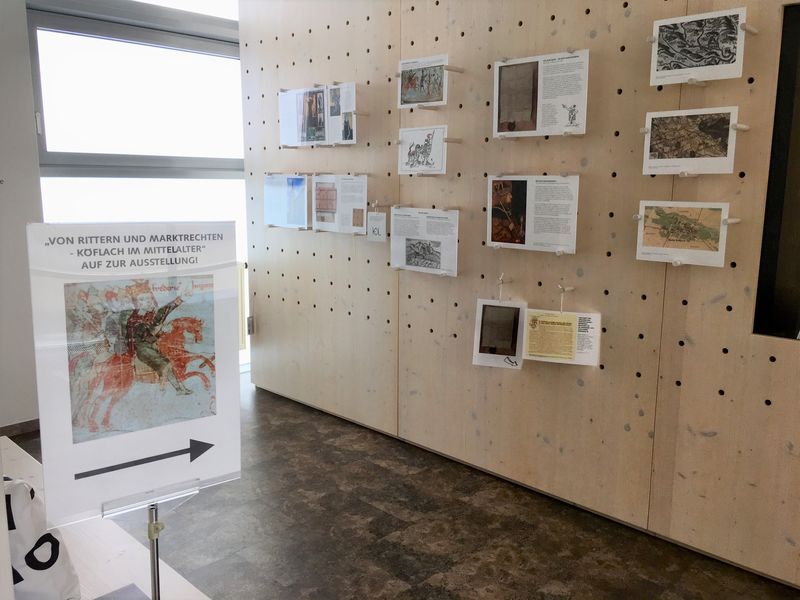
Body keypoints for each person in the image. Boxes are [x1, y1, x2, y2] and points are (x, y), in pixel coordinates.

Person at [123, 281, 191, 395]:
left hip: (151, 345)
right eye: (142, 299)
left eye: (148, 298)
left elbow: (162, 312)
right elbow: (144, 339)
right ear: (137, 303)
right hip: (142, 349)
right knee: (166, 364)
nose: (147, 301)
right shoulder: (135, 320)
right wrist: (160, 332)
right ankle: (173, 389)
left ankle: (180, 389)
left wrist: (179, 300)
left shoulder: (149, 314)